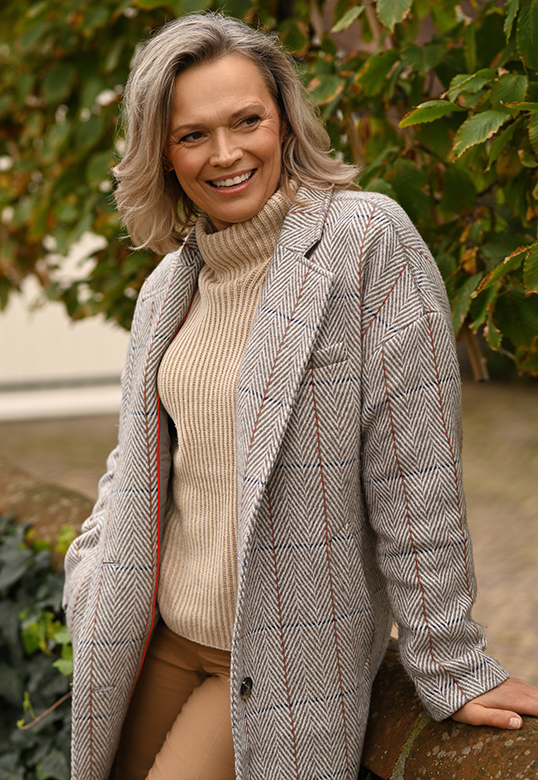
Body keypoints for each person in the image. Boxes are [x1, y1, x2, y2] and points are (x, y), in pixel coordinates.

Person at [62, 12, 538, 780]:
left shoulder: (365, 243)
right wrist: (89, 566)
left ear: (284, 119)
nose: (225, 154)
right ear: (163, 154)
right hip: (148, 640)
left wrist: (451, 660)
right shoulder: (167, 288)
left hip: (273, 658)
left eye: (246, 120)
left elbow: (414, 476)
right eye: (192, 136)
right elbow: (139, 457)